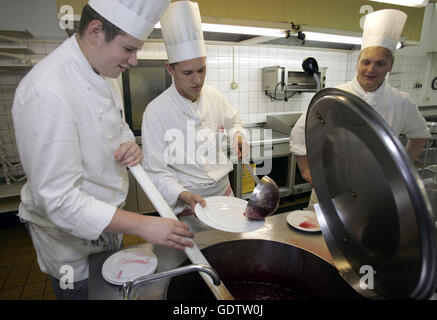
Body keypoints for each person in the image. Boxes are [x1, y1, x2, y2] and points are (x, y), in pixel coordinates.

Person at [12, 0, 195, 300]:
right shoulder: (47, 91)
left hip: (108, 225)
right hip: (70, 246)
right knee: (84, 293)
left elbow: (117, 126)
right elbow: (58, 200)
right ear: (96, 31)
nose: (134, 61)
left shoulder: (101, 70)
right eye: (129, 49)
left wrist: (128, 144)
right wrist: (144, 224)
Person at [290, 9, 430, 210]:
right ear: (357, 63)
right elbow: (298, 134)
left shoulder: (401, 102)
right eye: (366, 62)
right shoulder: (333, 97)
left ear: (390, 65)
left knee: (368, 238)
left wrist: (401, 169)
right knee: (318, 239)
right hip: (331, 190)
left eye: (380, 63)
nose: (371, 69)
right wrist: (307, 172)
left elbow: (420, 135)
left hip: (376, 191)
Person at [141, 1, 248, 228]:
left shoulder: (214, 96)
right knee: (196, 255)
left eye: (201, 70)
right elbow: (156, 171)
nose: (197, 80)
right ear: (170, 69)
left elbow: (234, 122)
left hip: (223, 195)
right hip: (187, 204)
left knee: (228, 252)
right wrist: (182, 195)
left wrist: (237, 136)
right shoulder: (156, 112)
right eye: (187, 73)